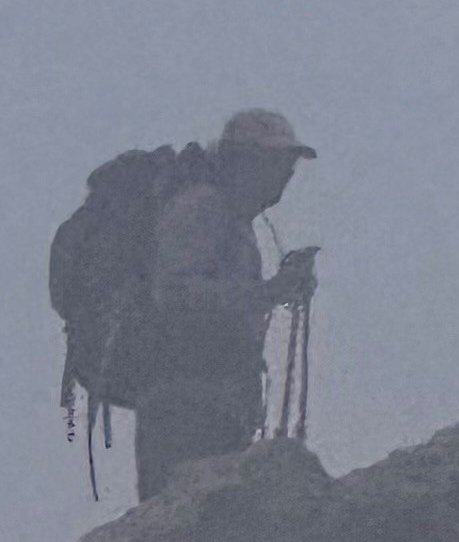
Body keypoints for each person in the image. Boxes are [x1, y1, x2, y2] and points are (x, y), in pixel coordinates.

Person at [127, 110, 319, 503]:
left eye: (286, 166)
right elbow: (176, 293)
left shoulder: (232, 217)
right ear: (241, 161)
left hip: (213, 399)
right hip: (188, 401)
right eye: (274, 163)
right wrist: (268, 292)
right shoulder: (204, 207)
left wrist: (273, 290)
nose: (284, 176)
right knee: (190, 516)